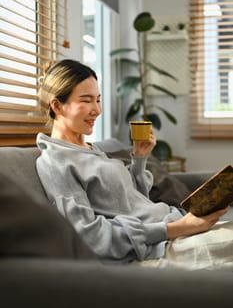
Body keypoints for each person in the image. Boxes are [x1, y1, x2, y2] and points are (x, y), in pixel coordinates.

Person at [36, 59, 233, 270]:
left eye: (98, 100)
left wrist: (139, 159)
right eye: (86, 100)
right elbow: (91, 237)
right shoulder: (56, 162)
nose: (97, 109)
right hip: (158, 247)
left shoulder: (91, 149)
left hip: (174, 227)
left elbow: (131, 203)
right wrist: (175, 229)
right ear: (57, 105)